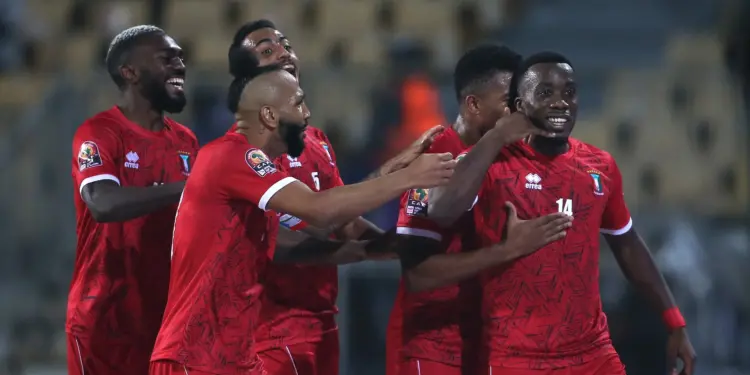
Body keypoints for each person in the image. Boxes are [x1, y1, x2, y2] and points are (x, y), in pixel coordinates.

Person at [148, 63, 456, 375]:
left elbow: (329, 222)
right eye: (298, 104)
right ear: (269, 116)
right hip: (197, 353)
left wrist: (388, 243)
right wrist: (408, 177)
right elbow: (320, 208)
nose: (307, 113)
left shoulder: (254, 175)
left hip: (232, 354)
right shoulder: (231, 155)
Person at [430, 51, 697, 375]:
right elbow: (440, 210)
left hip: (593, 355)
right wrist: (498, 136)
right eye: (545, 93)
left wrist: (674, 320)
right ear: (518, 106)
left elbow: (627, 244)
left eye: (569, 92)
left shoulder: (599, 167)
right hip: (514, 357)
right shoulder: (490, 163)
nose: (561, 102)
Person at [225, 20, 442, 375]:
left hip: (319, 328)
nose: (283, 52)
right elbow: (273, 237)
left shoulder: (316, 141)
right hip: (263, 331)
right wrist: (402, 177)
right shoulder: (239, 149)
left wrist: (399, 247)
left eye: (286, 44)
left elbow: (342, 217)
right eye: (266, 51)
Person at [386, 44, 573, 375]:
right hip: (431, 349)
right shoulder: (435, 159)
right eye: (508, 103)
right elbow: (418, 274)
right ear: (473, 104)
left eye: (522, 100)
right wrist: (506, 251)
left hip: (489, 344)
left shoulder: (511, 162)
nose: (520, 112)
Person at [68, 25, 199, 375]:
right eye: (166, 58)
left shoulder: (186, 142)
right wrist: (188, 188)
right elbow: (102, 202)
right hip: (105, 322)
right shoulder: (99, 133)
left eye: (181, 58)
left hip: (165, 323)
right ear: (130, 72)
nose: (180, 65)